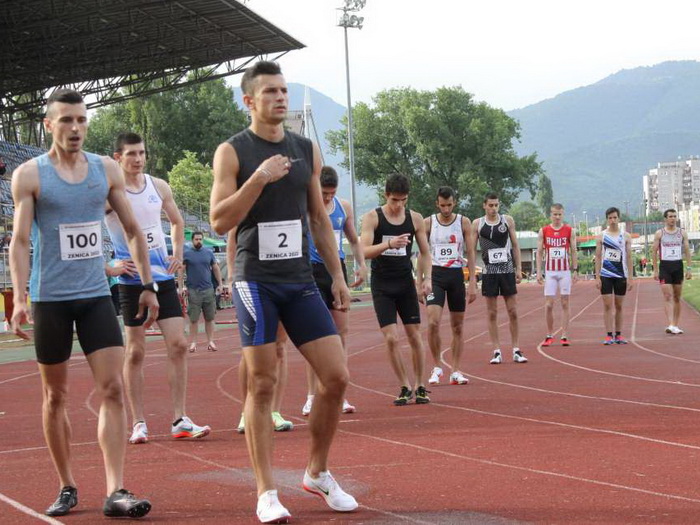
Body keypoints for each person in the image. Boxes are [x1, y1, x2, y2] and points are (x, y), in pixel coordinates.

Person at [210, 61, 358, 523]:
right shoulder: (232, 152)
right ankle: (267, 491)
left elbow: (318, 219)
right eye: (270, 91)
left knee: (336, 377)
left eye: (284, 90)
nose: (280, 97)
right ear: (249, 100)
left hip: (300, 279)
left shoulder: (305, 149)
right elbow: (219, 220)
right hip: (254, 279)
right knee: (262, 382)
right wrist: (260, 178)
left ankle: (316, 472)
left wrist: (336, 275)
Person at [9, 88, 154, 518]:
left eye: (82, 120)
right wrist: (19, 297)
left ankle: (116, 491)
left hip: (95, 296)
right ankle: (67, 485)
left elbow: (132, 229)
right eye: (66, 120)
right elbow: (19, 241)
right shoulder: (30, 176)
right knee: (55, 396)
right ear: (49, 125)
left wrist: (146, 282)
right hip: (51, 299)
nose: (76, 128)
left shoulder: (105, 169)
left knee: (111, 388)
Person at [105, 132, 210, 445]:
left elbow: (177, 222)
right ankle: (138, 422)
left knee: (177, 344)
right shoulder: (110, 193)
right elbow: (85, 228)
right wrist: (108, 266)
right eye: (131, 154)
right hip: (131, 280)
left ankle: (180, 418)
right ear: (117, 158)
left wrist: (177, 253)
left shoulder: (158, 185)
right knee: (135, 350)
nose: (138, 159)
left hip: (162, 276)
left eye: (142, 153)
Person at [360, 173, 432, 405]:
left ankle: (420, 385)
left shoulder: (415, 219)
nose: (398, 205)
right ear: (386, 195)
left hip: (404, 283)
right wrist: (389, 244)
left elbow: (425, 252)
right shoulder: (372, 218)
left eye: (403, 200)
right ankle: (404, 385)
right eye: (394, 200)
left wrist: (427, 278)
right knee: (391, 339)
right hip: (382, 284)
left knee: (414, 335)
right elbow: (363, 251)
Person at [302, 165, 367, 416]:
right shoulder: (306, 205)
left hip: (335, 270)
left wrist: (361, 265)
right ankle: (311, 396)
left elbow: (353, 239)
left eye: (331, 193)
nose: (327, 198)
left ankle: (339, 393)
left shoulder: (344, 207)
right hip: (310, 270)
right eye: (324, 193)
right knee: (314, 337)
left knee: (340, 334)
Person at [226, 227, 294, 434]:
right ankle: (247, 412)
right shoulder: (247, 197)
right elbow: (231, 238)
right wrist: (231, 277)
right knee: (251, 349)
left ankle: (274, 412)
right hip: (252, 280)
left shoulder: (293, 199)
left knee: (280, 348)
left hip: (286, 279)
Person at [424, 186, 476, 386]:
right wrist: (422, 279)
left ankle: (455, 369)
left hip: (456, 275)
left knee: (457, 326)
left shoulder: (463, 222)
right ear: (437, 203)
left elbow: (470, 252)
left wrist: (472, 282)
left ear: (454, 203)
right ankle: (437, 366)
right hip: (435, 275)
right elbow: (422, 252)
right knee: (433, 322)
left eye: (449, 205)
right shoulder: (429, 223)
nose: (446, 209)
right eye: (442, 205)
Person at [472, 193, 527, 364]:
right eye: (491, 205)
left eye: (496, 205)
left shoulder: (507, 220)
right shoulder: (478, 224)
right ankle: (496, 351)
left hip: (507, 270)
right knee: (492, 312)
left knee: (513, 311)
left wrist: (519, 269)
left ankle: (516, 349)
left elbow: (516, 245)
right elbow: (472, 249)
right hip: (489, 272)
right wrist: (473, 275)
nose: (494, 208)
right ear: (484, 206)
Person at [536, 203, 578, 346]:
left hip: (565, 271)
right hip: (550, 272)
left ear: (563, 214)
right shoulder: (544, 231)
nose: (557, 217)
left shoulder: (569, 230)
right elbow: (540, 252)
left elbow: (573, 250)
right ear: (550, 215)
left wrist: (575, 270)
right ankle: (549, 334)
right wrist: (538, 272)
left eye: (560, 214)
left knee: (565, 302)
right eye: (555, 214)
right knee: (549, 305)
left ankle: (564, 335)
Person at [594, 206, 634, 344]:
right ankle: (609, 335)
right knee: (607, 305)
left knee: (619, 306)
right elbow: (598, 257)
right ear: (607, 219)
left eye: (615, 217)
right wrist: (597, 276)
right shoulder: (601, 236)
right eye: (610, 218)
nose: (612, 220)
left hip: (620, 275)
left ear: (619, 218)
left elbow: (629, 257)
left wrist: (630, 277)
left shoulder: (626, 236)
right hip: (605, 274)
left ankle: (618, 334)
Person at [651, 208, 693, 334]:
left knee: (677, 296)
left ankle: (675, 324)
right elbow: (653, 252)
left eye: (675, 216)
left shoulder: (682, 233)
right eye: (670, 216)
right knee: (667, 295)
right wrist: (655, 270)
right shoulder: (660, 233)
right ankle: (670, 324)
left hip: (678, 267)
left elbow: (687, 251)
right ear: (665, 219)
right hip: (665, 267)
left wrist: (689, 268)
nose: (673, 218)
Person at [181, 231, 222, 352]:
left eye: (200, 239)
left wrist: (220, 284)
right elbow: (181, 270)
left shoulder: (208, 252)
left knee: (210, 318)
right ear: (192, 240)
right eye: (196, 239)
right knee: (194, 319)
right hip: (193, 290)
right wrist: (181, 286)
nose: (199, 241)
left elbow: (215, 268)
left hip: (208, 289)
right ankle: (193, 343)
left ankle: (211, 341)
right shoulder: (186, 253)